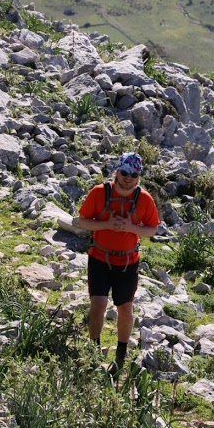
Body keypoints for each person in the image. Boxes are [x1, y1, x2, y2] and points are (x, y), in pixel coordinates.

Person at [78, 152, 160, 373]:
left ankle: (121, 353)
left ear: (139, 177)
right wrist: (107, 224)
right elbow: (82, 221)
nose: (128, 178)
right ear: (117, 171)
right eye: (124, 172)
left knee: (125, 309)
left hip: (127, 263)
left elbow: (152, 229)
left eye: (134, 174)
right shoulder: (99, 193)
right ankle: (94, 353)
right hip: (99, 259)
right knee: (98, 305)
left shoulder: (145, 199)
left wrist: (131, 228)